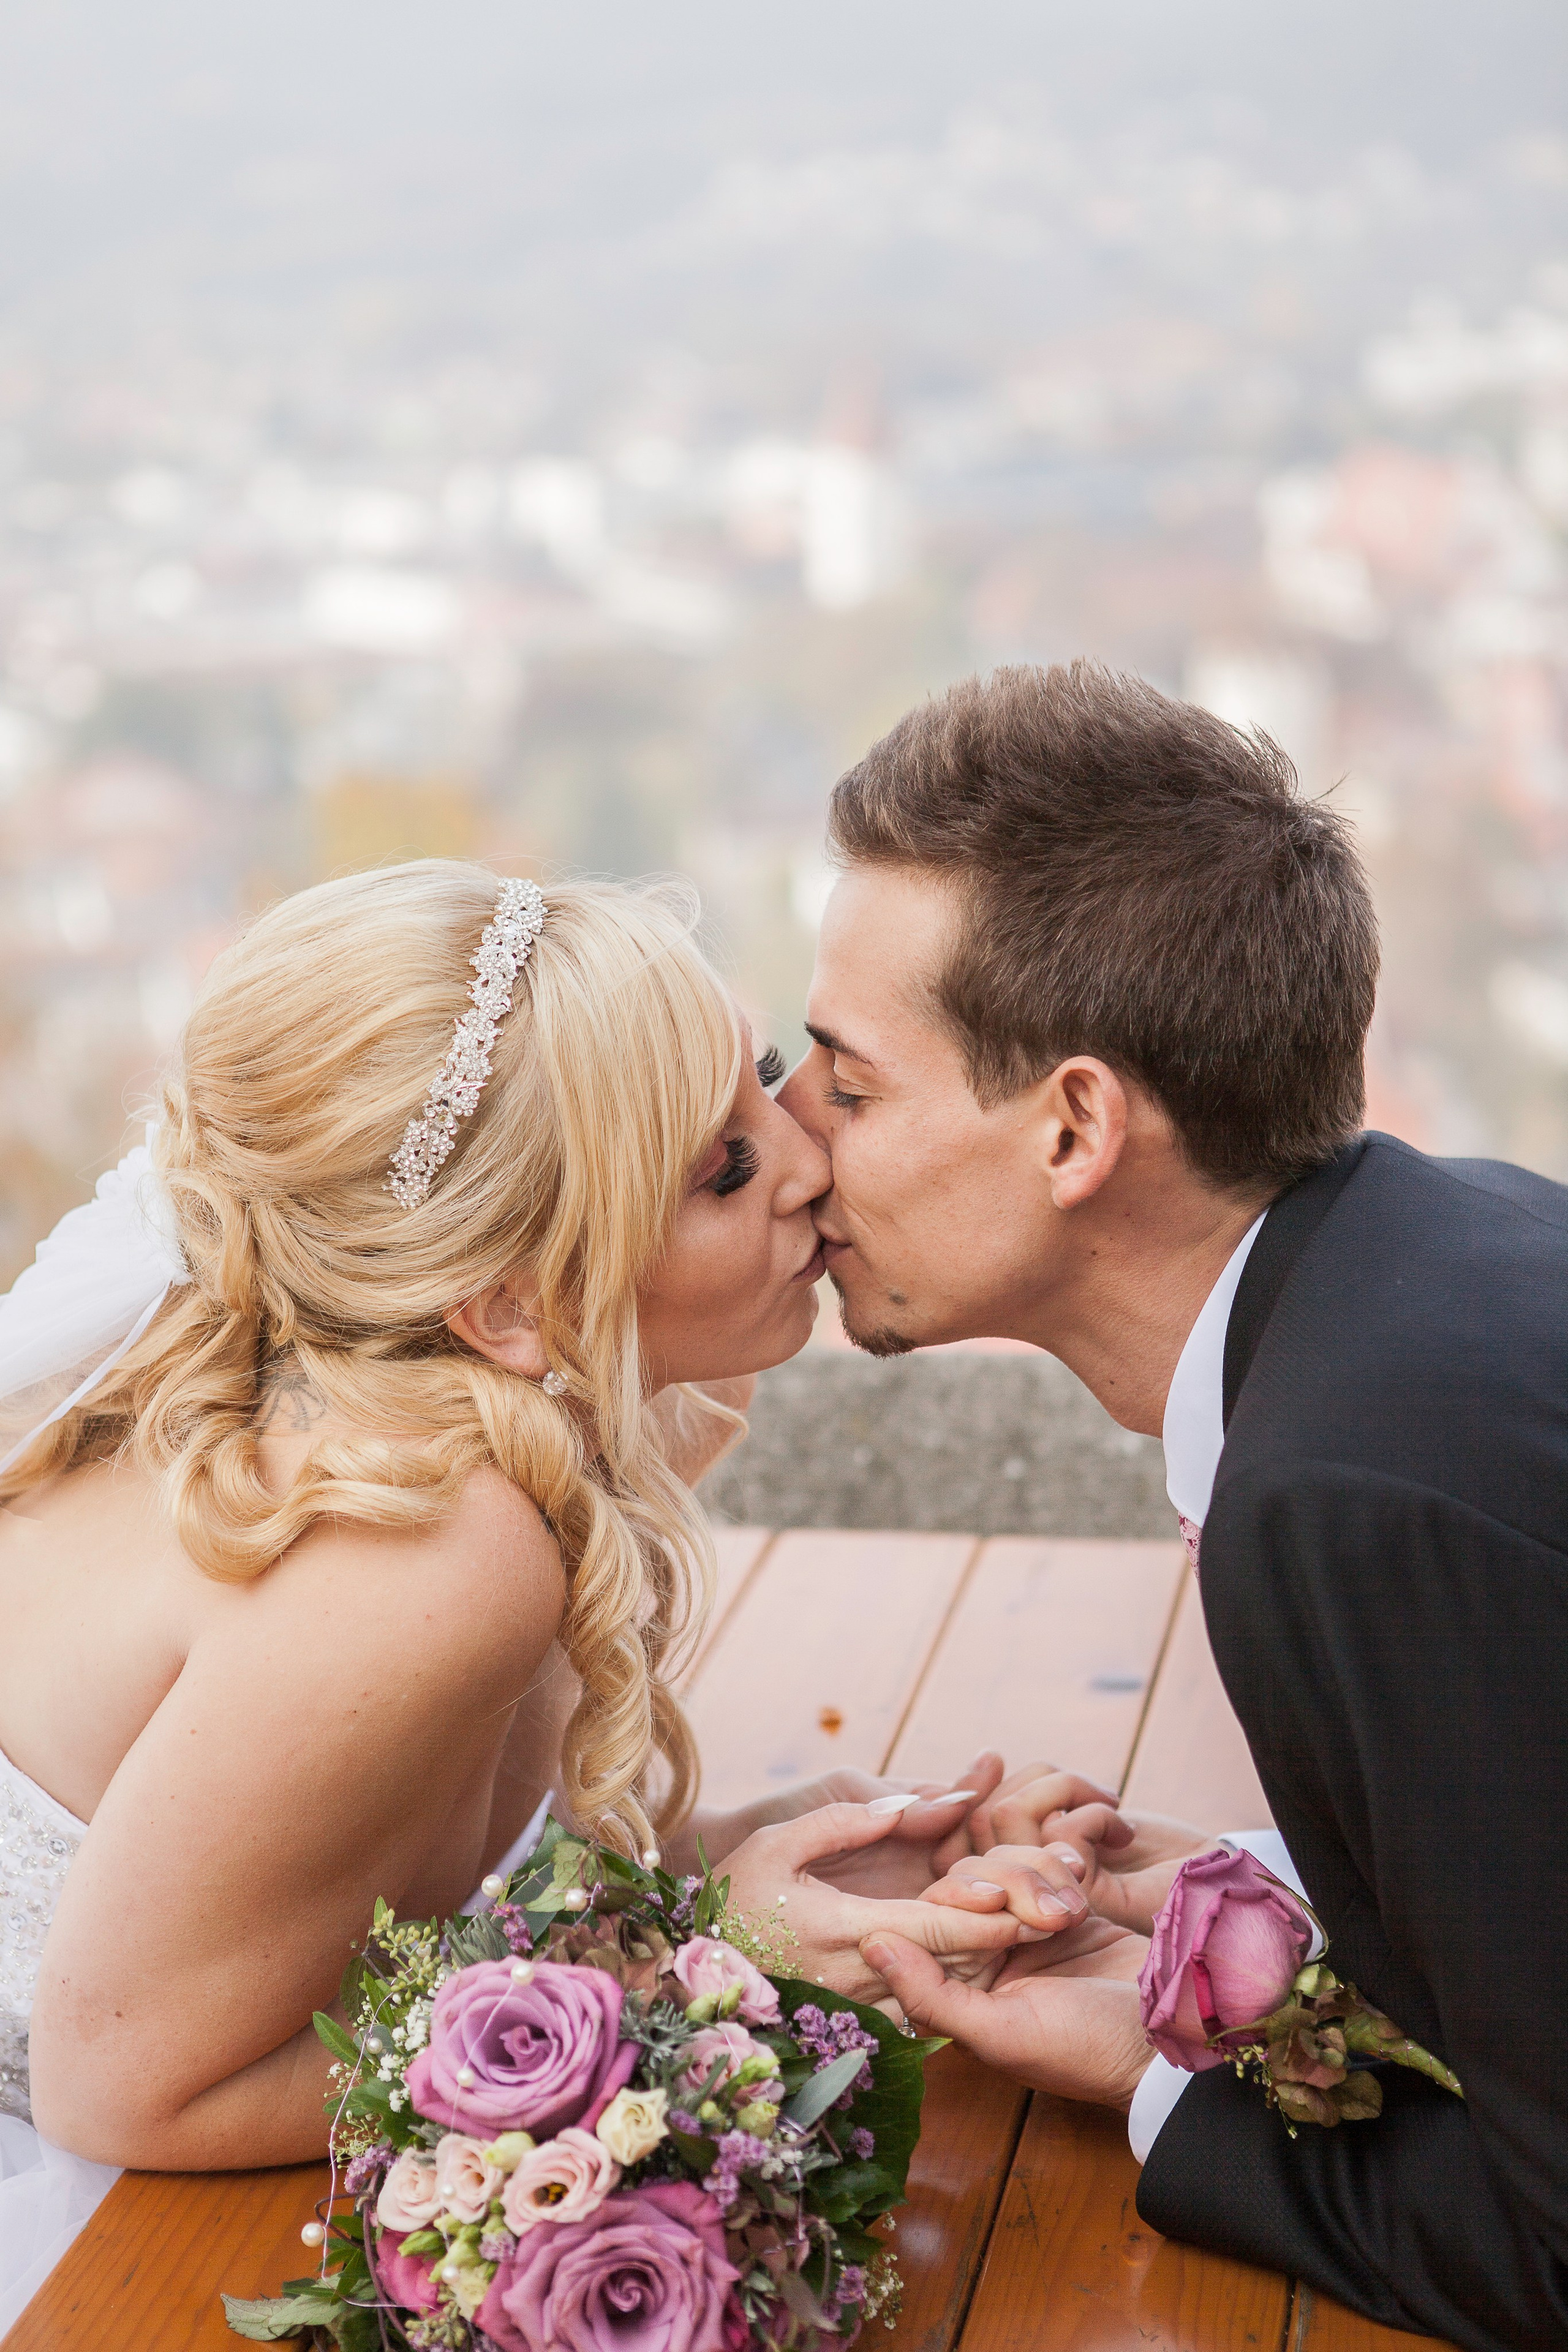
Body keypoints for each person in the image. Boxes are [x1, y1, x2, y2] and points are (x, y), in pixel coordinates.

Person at [0, 861, 1028, 2333]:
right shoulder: (427, 1548)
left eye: (762, 1084)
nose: (806, 1161)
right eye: (722, 1170)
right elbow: (128, 2095)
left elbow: (402, 1890)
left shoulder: (504, 1424)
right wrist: (699, 1964)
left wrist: (748, 1869)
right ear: (507, 1308)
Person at [777, 662, 1568, 2352]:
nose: (789, 1145)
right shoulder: (1464, 1240)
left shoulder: (1340, 1499)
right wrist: (1271, 1889)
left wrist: (1154, 2081)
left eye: (848, 1087)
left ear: (1075, 1125)